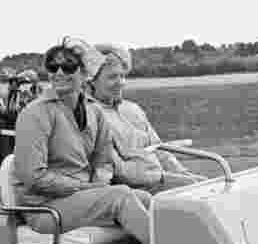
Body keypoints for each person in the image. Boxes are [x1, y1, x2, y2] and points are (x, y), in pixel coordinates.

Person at [13, 39, 152, 244]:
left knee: (146, 199)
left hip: (80, 199)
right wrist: (85, 189)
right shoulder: (35, 113)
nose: (59, 73)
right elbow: (33, 176)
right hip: (45, 208)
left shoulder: (94, 111)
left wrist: (99, 184)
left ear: (85, 72)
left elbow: (103, 161)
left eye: (68, 66)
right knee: (121, 196)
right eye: (52, 66)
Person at [87, 43, 205, 193]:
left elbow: (161, 150)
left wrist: (183, 173)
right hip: (137, 190)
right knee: (198, 191)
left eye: (122, 76)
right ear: (91, 80)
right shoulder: (92, 115)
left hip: (162, 181)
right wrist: (164, 178)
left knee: (211, 186)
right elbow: (120, 172)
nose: (120, 83)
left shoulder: (133, 109)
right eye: (112, 77)